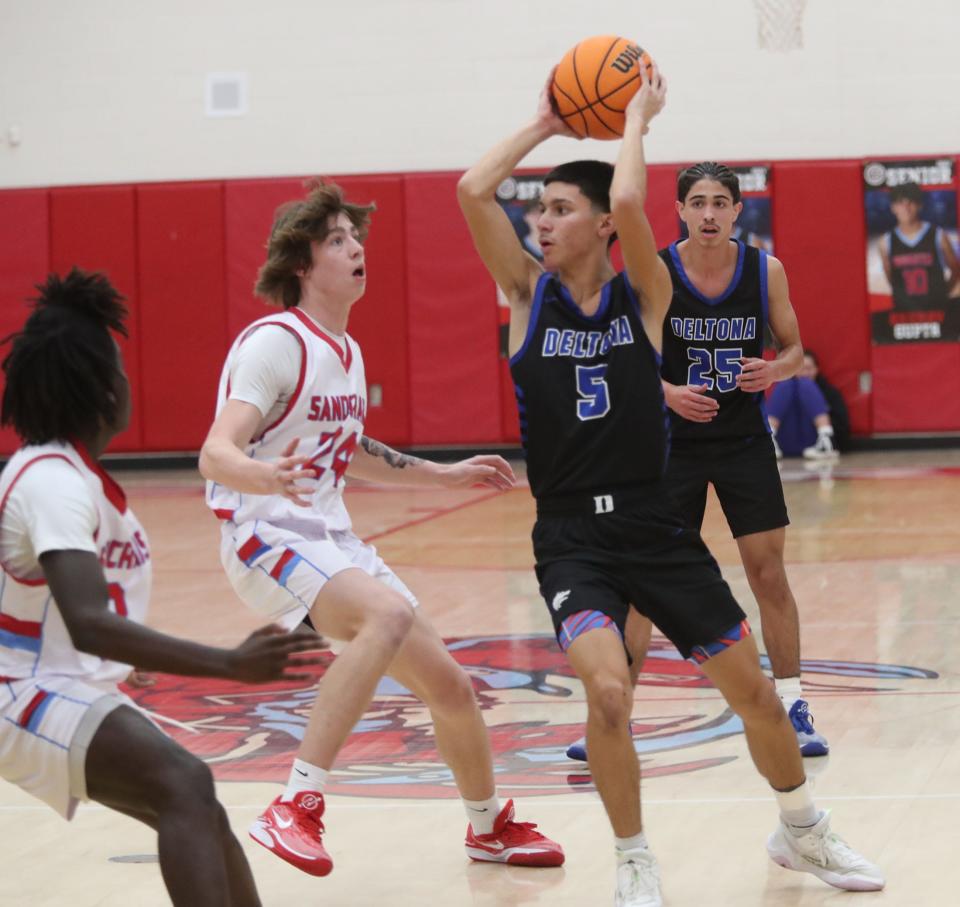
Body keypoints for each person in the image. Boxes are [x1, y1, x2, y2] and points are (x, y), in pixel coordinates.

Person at [457, 65, 883, 906]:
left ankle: (801, 829)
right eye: (536, 211)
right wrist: (545, 123)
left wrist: (633, 125)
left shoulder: (644, 295)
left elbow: (626, 205)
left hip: (657, 527)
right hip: (573, 539)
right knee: (609, 692)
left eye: (558, 209)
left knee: (756, 695)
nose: (541, 222)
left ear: (598, 228)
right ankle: (635, 860)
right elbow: (474, 188)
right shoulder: (524, 296)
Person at [198, 180, 563, 879]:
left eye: (355, 236)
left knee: (450, 685)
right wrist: (264, 474)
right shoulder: (274, 342)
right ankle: (295, 803)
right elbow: (216, 450)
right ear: (302, 264)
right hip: (261, 532)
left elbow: (353, 450)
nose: (356, 247)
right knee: (389, 616)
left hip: (326, 536)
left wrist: (443, 473)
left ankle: (488, 827)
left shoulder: (346, 350)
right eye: (336, 239)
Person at [0, 269, 322, 907]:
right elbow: (88, 619)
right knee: (182, 784)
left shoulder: (73, 478)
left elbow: (72, 618)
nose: (127, 380)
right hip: (17, 691)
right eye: (116, 367)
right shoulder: (53, 482)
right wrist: (228, 664)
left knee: (196, 799)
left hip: (55, 679)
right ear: (96, 387)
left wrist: (116, 661)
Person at [878, 181, 960, 311]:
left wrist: (942, 294)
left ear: (920, 205)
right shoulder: (885, 242)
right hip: (905, 313)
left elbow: (956, 270)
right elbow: (892, 280)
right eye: (900, 203)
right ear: (893, 207)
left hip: (937, 310)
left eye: (910, 202)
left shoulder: (938, 235)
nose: (906, 207)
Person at [767, 350, 849, 459]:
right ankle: (768, 440)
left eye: (809, 368)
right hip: (784, 440)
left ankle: (826, 441)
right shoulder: (783, 389)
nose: (805, 373)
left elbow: (842, 426)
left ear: (816, 370)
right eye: (800, 369)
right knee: (786, 384)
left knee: (805, 383)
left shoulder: (829, 392)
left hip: (813, 440)